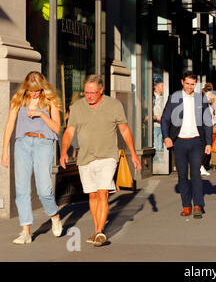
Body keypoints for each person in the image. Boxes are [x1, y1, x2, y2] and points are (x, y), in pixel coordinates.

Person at [60, 75, 142, 247]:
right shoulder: (77, 107)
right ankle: (96, 229)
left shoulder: (114, 105)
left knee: (102, 192)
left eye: (93, 93)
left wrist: (133, 154)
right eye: (86, 92)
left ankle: (99, 231)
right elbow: (69, 131)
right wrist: (63, 152)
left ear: (101, 90)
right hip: (85, 158)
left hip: (107, 156)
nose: (89, 96)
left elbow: (125, 130)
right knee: (92, 194)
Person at [2, 71, 63, 245]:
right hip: (22, 144)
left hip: (43, 144)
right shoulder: (18, 98)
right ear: (26, 87)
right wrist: (4, 151)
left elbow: (57, 128)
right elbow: (9, 124)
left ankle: (54, 215)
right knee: (21, 190)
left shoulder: (50, 100)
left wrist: (41, 114)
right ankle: (25, 232)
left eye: (36, 91)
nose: (33, 94)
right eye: (31, 91)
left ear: (42, 88)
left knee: (44, 190)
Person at [161, 71, 212, 219]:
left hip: (197, 141)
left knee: (195, 173)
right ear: (182, 82)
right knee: (182, 175)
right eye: (188, 83)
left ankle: (197, 205)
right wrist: (166, 137)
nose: (190, 87)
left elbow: (207, 122)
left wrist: (208, 142)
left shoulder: (200, 99)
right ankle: (186, 206)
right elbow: (165, 119)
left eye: (193, 84)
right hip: (179, 142)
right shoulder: (174, 98)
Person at [203, 82, 216, 172]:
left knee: (212, 142)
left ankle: (209, 163)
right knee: (213, 143)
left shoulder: (213, 98)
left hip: (211, 123)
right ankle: (212, 163)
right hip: (212, 123)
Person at [153, 81, 165, 152]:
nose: (164, 88)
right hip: (154, 126)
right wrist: (155, 117)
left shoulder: (164, 98)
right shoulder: (151, 98)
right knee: (156, 147)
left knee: (161, 148)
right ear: (156, 88)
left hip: (162, 126)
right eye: (162, 86)